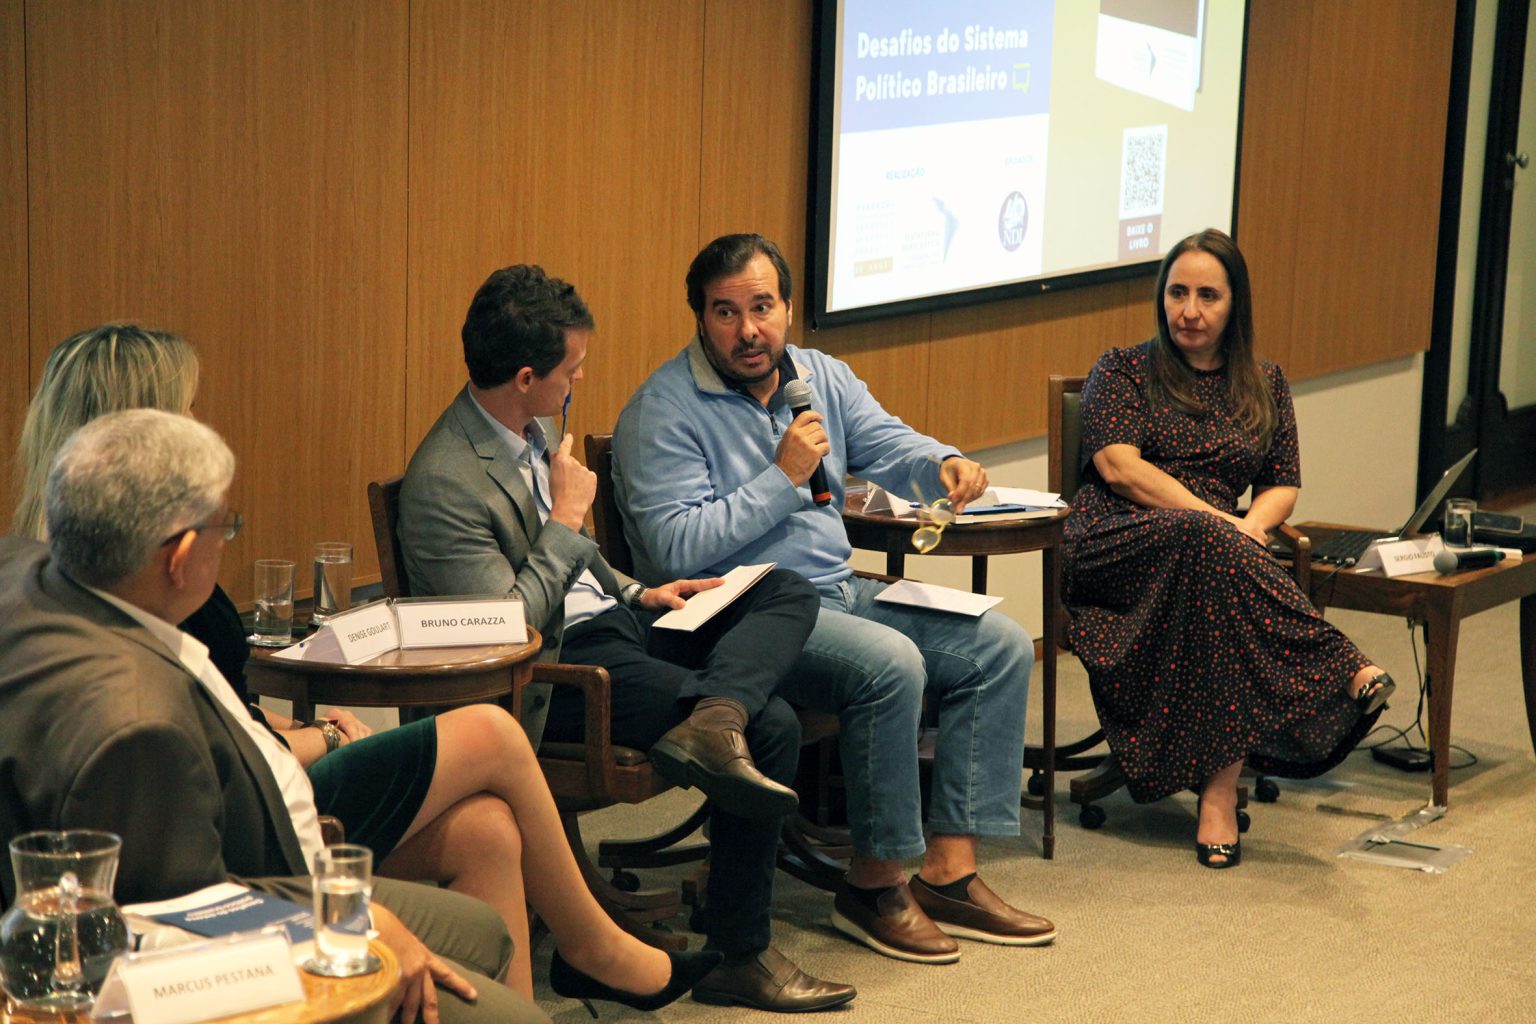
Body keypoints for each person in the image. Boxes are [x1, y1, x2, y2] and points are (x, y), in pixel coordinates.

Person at [9, 324, 717, 1010]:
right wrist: (324, 738)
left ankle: (551, 981)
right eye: (186, 409)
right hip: (265, 827)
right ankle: (597, 950)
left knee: (489, 831)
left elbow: (221, 718)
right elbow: (194, 799)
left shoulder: (54, 578)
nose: (200, 423)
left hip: (266, 768)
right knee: (491, 734)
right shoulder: (142, 606)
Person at [397, 264, 856, 1012]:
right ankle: (741, 952)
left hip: (615, 626)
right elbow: (503, 630)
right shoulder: (446, 480)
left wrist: (641, 592)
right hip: (556, 673)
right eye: (571, 369)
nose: (579, 379)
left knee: (783, 588)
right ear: (526, 378)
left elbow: (577, 564)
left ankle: (716, 716)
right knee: (770, 725)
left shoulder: (527, 425)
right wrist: (565, 520)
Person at [0, 410, 545, 1024]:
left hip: (272, 867)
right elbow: (181, 931)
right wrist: (359, 925)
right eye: (224, 527)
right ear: (180, 557)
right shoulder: (138, 728)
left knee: (485, 920)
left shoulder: (23, 571)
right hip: (251, 924)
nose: (226, 540)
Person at [612, 233, 1056, 964]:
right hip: (744, 618)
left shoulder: (819, 376)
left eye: (762, 308)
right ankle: (874, 885)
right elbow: (673, 549)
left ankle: (948, 872)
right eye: (726, 312)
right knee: (890, 664)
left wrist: (943, 461)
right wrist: (781, 478)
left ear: (788, 308)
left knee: (1000, 645)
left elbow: (888, 443)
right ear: (700, 318)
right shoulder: (663, 409)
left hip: (840, 590)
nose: (748, 330)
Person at [1061, 228, 1396, 868]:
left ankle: (1218, 793)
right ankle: (1340, 663)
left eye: (1207, 296)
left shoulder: (1264, 382)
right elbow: (1119, 469)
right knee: (1206, 542)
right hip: (1117, 541)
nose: (1189, 310)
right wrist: (1223, 523)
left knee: (1218, 587)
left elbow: (1281, 484)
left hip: (1212, 555)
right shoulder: (1123, 369)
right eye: (1177, 293)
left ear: (1235, 302)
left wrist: (1247, 529)